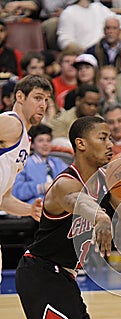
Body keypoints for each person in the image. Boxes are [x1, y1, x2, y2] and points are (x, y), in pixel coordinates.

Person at [0, 116, 113, 319]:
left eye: (110, 138)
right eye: (102, 137)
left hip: (64, 279)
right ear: (80, 143)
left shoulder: (103, 181)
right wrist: (101, 216)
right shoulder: (66, 182)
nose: (110, 143)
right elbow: (79, 203)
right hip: (41, 272)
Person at [0, 75, 53, 284]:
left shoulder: (24, 140)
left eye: (46, 100)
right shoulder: (12, 123)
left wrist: (29, 210)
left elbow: (4, 199)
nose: (43, 105)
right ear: (20, 96)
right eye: (38, 98)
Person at [12, 124, 67, 204]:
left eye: (48, 140)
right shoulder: (24, 164)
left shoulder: (58, 162)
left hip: (59, 206)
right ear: (32, 144)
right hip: (33, 209)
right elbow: (16, 191)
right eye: (41, 140)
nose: (45, 144)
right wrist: (40, 188)